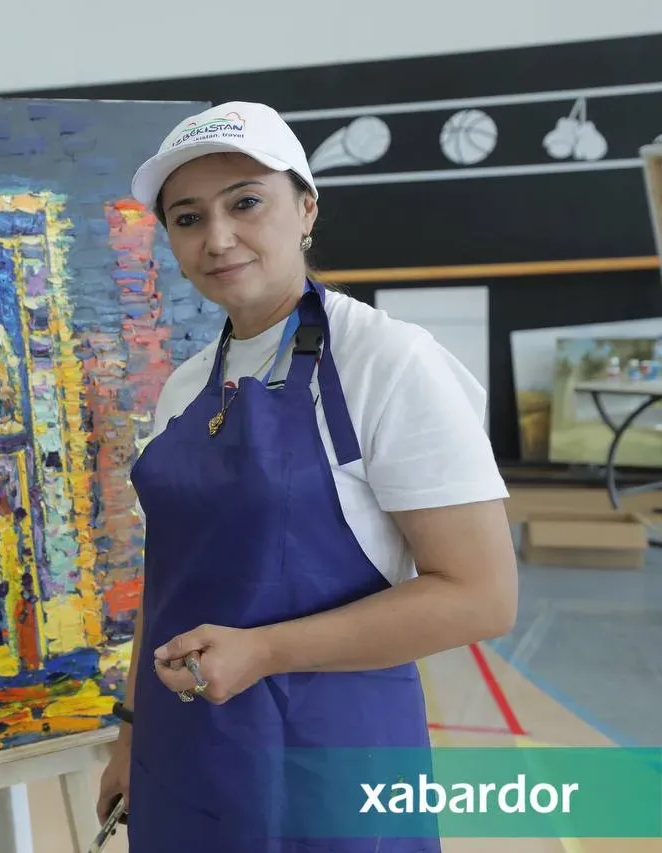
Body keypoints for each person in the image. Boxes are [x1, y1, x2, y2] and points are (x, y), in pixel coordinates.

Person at [95, 101, 519, 850]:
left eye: (245, 203)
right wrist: (133, 734)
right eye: (188, 219)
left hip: (331, 761)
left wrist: (265, 651)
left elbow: (481, 597)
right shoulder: (185, 385)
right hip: (185, 752)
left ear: (306, 209)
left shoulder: (388, 361)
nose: (217, 238)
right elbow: (168, 582)